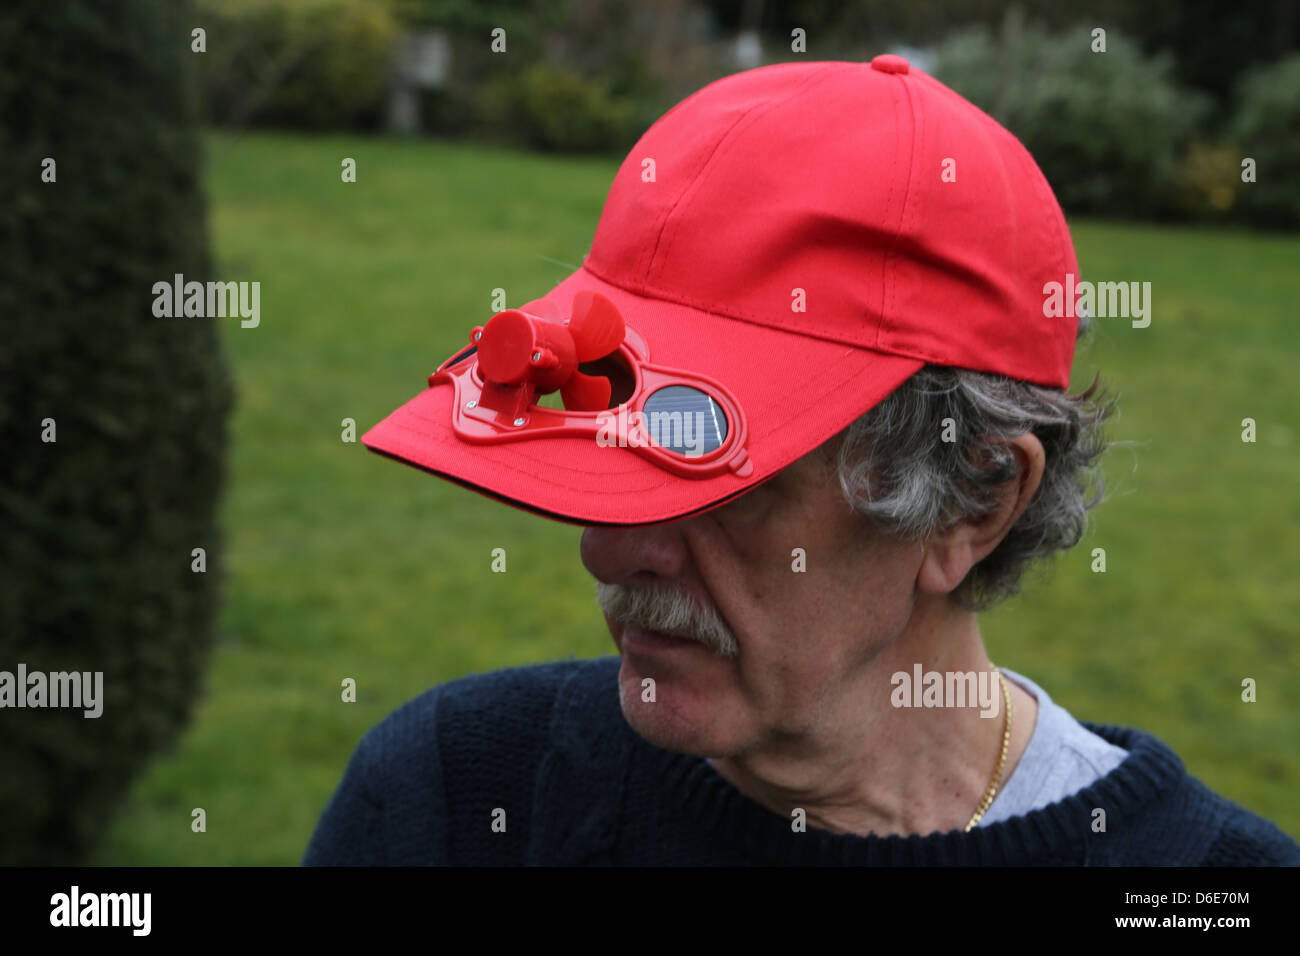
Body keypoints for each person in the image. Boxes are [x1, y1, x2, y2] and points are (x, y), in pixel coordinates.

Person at [303, 56, 1299, 865]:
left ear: (973, 499)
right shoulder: (460, 794)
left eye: (727, 484)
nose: (608, 549)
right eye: (614, 444)